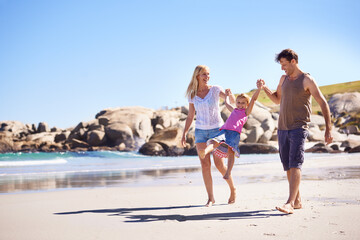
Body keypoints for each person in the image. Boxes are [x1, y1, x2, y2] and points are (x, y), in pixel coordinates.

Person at [257, 49, 333, 214]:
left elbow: (323, 103)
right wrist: (264, 88)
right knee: (288, 167)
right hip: (283, 127)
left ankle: (289, 203)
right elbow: (277, 99)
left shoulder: (307, 79)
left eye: (284, 64)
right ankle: (297, 200)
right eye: (281, 64)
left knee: (295, 164)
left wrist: (328, 128)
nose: (282, 68)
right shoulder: (283, 79)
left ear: (293, 61)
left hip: (299, 127)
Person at [181, 65, 236, 207]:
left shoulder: (215, 89)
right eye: (204, 74)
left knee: (219, 164)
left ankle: (232, 188)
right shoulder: (192, 94)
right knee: (205, 165)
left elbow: (231, 103)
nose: (207, 77)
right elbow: (190, 115)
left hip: (217, 130)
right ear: (197, 76)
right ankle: (211, 198)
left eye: (208, 74)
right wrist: (184, 133)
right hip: (200, 132)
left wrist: (230, 95)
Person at [198, 85, 262, 180]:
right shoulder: (234, 110)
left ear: (247, 104)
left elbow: (253, 99)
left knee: (231, 152)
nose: (240, 105)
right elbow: (227, 104)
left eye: (243, 103)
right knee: (214, 141)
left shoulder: (246, 112)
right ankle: (205, 151)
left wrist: (259, 88)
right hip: (224, 130)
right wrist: (227, 95)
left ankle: (228, 172)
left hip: (234, 134)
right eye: (238, 102)